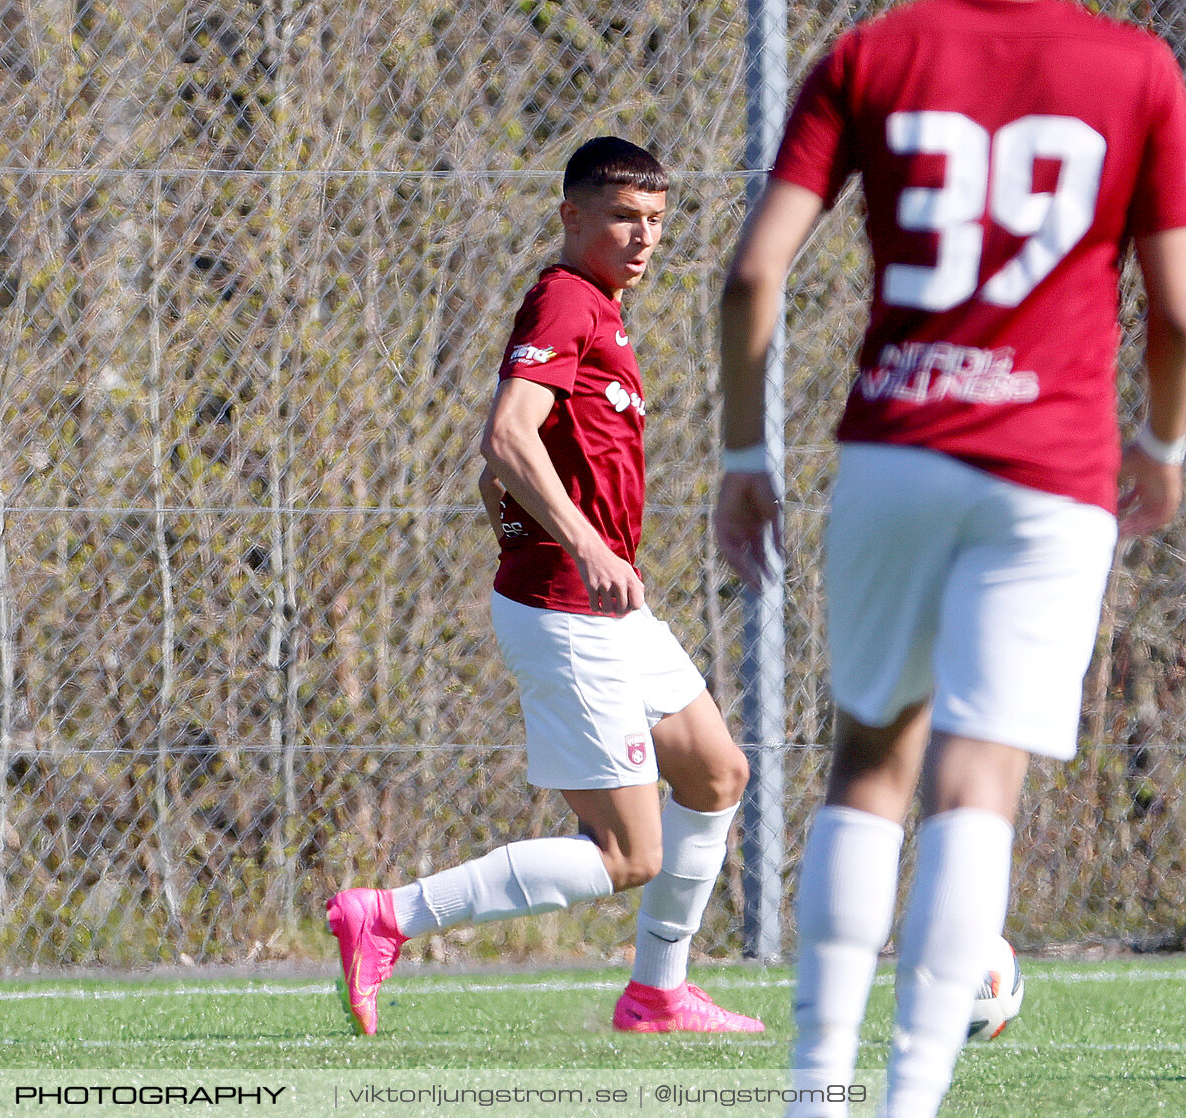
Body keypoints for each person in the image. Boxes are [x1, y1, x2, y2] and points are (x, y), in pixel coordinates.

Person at [716, 2, 1186, 1114]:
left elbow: (750, 276)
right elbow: (1176, 308)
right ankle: (910, 1096)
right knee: (979, 779)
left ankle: (814, 1091)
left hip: (898, 450)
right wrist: (1164, 444)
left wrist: (744, 452)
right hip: (1051, 471)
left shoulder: (872, 52)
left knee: (870, 761)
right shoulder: (1139, 67)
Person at [326, 136, 763, 1038]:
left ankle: (657, 995)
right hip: (571, 606)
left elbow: (506, 473)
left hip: (605, 600)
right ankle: (389, 916)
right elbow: (508, 437)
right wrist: (581, 544)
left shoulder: (598, 307)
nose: (643, 239)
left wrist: (546, 528)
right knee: (628, 852)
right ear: (571, 217)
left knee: (716, 771)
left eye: (655, 222)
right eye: (622, 218)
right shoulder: (567, 299)